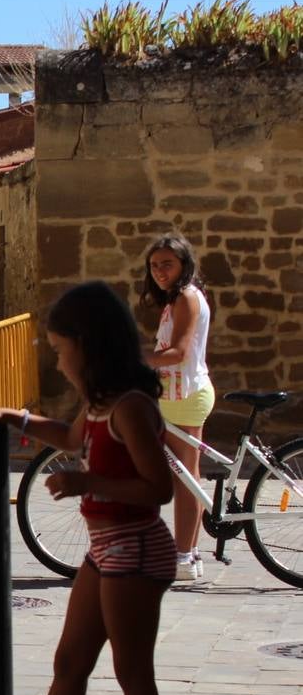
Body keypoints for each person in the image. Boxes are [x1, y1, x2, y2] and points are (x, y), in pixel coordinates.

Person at [0, 280, 174, 695]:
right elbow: (69, 435)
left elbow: (159, 489)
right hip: (106, 550)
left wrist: (91, 484)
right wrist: (16, 417)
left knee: (133, 673)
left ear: (88, 344)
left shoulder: (131, 407)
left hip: (134, 550)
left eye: (61, 350)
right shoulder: (100, 403)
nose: (58, 362)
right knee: (69, 664)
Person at [141, 234, 213, 581]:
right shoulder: (177, 298)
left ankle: (183, 557)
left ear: (184, 264)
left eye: (167, 264)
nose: (159, 271)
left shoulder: (186, 297)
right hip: (176, 393)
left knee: (185, 480)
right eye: (154, 265)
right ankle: (190, 554)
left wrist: (134, 359)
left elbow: (180, 352)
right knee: (188, 477)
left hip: (184, 396)